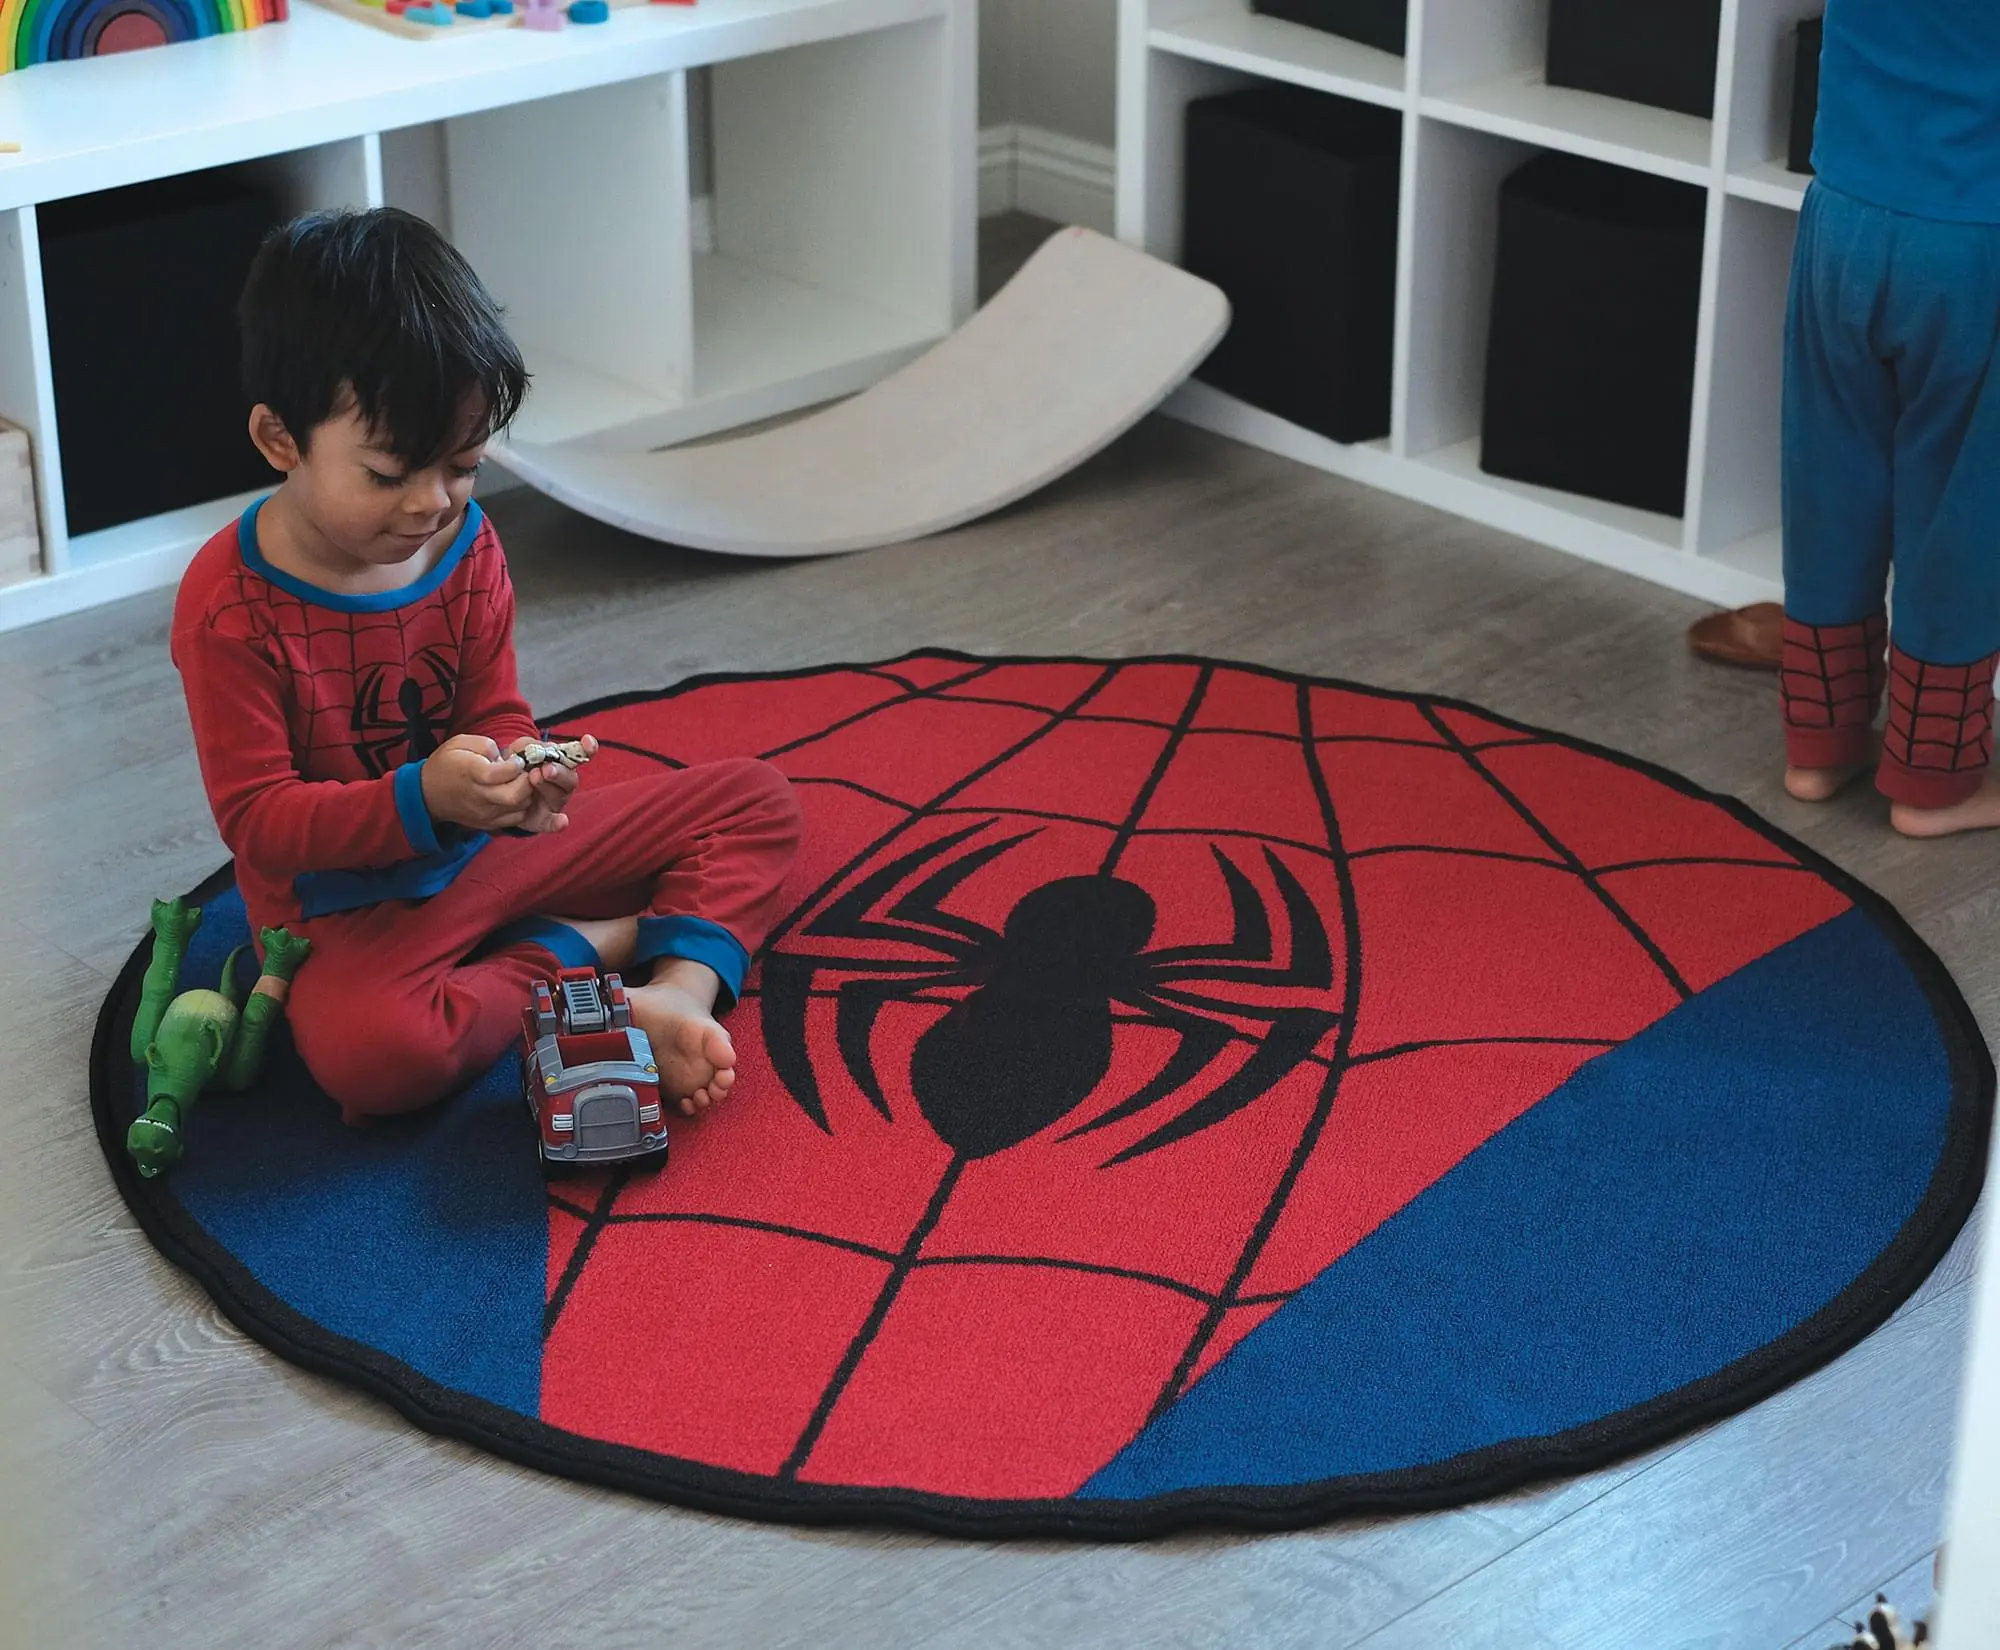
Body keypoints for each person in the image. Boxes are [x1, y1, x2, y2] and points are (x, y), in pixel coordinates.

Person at [171, 207, 802, 1123]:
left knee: (757, 801)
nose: (431, 502)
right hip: (339, 904)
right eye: (389, 474)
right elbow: (259, 822)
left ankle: (676, 989)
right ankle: (597, 945)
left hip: (483, 858)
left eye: (462, 465)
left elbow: (495, 707)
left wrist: (522, 769)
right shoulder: (228, 606)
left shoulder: (466, 542)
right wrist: (423, 799)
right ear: (280, 440)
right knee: (376, 1057)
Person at [1779, 0, 2000, 836]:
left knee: (1829, 485)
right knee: (1959, 515)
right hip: (1975, 234)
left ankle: (1818, 745)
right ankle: (1933, 781)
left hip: (1842, 219)